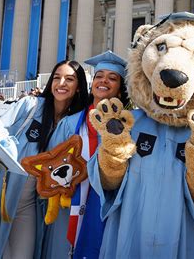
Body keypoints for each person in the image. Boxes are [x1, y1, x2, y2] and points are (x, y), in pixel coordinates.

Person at [0, 60, 89, 259]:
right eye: (57, 77)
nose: (61, 83)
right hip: (0, 195)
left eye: (69, 79)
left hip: (29, 205)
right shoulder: (31, 106)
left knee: (23, 254)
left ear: (78, 88)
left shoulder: (74, 123)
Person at [42, 51, 130, 258]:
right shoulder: (71, 123)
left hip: (107, 205)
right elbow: (51, 164)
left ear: (120, 89)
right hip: (69, 202)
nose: (104, 81)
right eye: (99, 76)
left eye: (112, 78)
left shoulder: (126, 126)